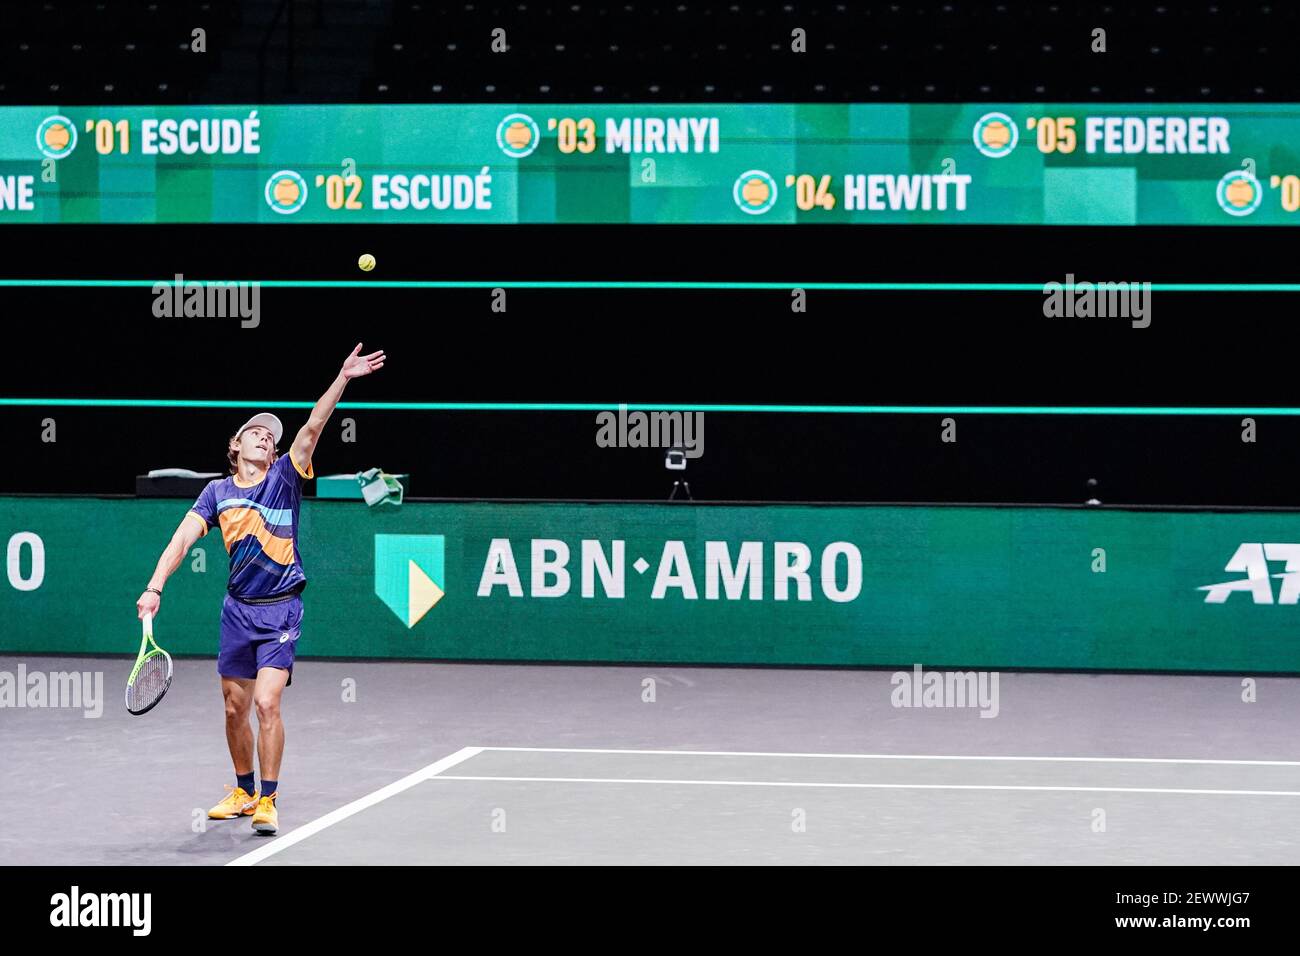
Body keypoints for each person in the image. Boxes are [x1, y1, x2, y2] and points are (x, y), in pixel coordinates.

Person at [135, 344, 386, 835]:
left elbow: (312, 426)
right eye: (256, 432)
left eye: (271, 438)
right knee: (234, 707)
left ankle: (268, 800)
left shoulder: (287, 478)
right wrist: (154, 586)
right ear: (237, 445)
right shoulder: (216, 493)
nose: (265, 439)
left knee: (268, 703)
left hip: (282, 611)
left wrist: (343, 378)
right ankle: (244, 790)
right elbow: (181, 540)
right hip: (237, 612)